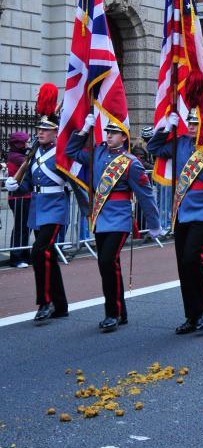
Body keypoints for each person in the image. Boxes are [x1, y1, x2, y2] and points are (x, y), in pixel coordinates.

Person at [147, 108, 203, 334]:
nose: (190, 126)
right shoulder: (180, 145)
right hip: (181, 212)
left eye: (196, 123)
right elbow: (154, 148)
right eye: (189, 122)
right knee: (182, 264)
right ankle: (192, 314)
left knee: (192, 258)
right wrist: (166, 128)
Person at [66, 114, 161, 333]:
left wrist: (154, 222)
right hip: (100, 217)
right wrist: (83, 130)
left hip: (119, 218)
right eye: (107, 132)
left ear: (124, 137)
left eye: (113, 133)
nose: (108, 136)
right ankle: (121, 311)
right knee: (107, 264)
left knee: (108, 262)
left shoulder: (131, 163)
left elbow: (145, 195)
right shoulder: (98, 153)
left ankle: (113, 313)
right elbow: (71, 152)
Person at [6, 115, 70, 324]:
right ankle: (61, 305)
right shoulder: (34, 153)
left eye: (45, 129)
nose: (40, 132)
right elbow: (30, 182)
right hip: (37, 207)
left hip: (55, 206)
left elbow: (75, 178)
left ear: (55, 132)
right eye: (39, 129)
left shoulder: (61, 152)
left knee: (39, 250)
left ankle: (45, 302)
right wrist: (16, 186)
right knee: (48, 255)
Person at [6, 131, 31, 268]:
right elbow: (30, 164)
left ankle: (24, 255)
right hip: (20, 197)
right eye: (25, 142)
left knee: (25, 228)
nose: (27, 144)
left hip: (25, 196)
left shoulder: (19, 155)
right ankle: (16, 257)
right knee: (20, 228)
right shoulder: (17, 156)